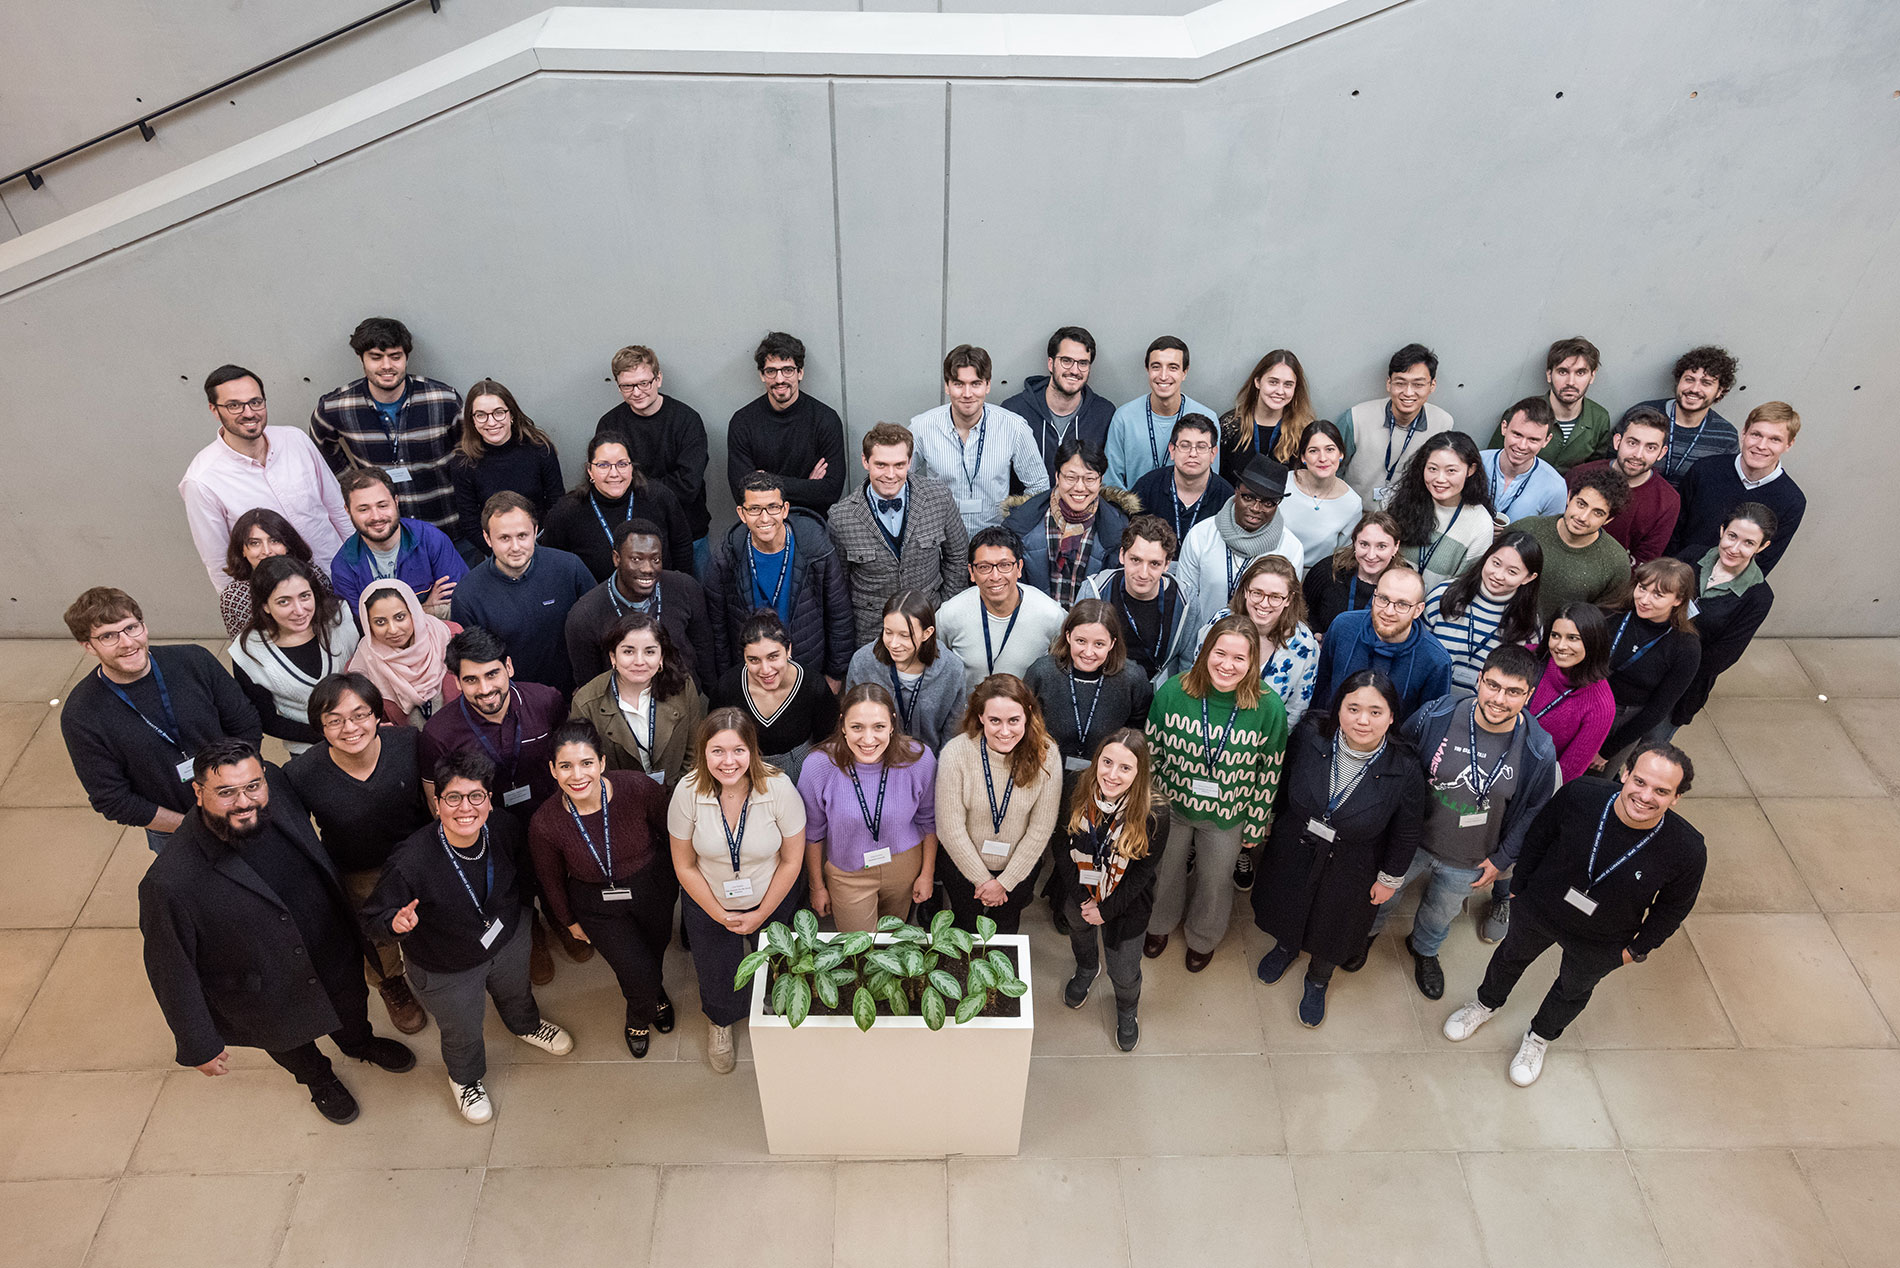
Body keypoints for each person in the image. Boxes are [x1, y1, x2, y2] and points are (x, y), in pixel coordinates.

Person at [140, 740, 416, 1124]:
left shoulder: (278, 791)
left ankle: (359, 1044)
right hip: (264, 988)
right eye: (226, 792)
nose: (244, 801)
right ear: (198, 793)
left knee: (351, 1008)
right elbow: (171, 967)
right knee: (292, 1043)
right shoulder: (169, 881)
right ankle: (320, 1082)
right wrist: (197, 1042)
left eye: (253, 786)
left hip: (330, 949)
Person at [1442, 745, 1706, 1087]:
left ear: (1676, 798)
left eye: (1661, 791)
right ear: (1625, 773)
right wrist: (1518, 889)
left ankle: (1539, 1037)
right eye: (1640, 781)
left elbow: (1674, 907)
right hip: (1541, 907)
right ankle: (1484, 1003)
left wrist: (1636, 950)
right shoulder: (1582, 795)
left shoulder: (1687, 849)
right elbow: (1539, 838)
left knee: (1572, 990)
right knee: (1509, 957)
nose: (1645, 796)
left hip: (1604, 938)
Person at [364, 749, 574, 1122]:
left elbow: (525, 874)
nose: (466, 808)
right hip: (446, 966)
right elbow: (372, 919)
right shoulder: (411, 860)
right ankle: (465, 1079)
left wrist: (525, 918)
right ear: (437, 802)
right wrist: (393, 924)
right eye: (454, 798)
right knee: (461, 1028)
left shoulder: (505, 828)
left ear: (489, 801)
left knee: (516, 991)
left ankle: (525, 1025)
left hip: (507, 939)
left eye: (476, 796)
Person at [1372, 647, 1559, 999]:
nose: (1499, 699)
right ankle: (1363, 937)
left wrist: (1503, 859)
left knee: (1440, 914)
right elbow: (1398, 762)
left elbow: (1536, 810)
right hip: (1410, 843)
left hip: (1472, 857)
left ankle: (1424, 950)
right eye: (1493, 685)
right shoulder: (1437, 714)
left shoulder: (1538, 749)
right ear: (1479, 679)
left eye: (1514, 691)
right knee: (1382, 897)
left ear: (1529, 695)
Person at [1252, 671, 1427, 1028]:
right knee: (1289, 901)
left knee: (1335, 923)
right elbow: (1282, 782)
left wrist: (1390, 878)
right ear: (1338, 709)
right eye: (1353, 708)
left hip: (1356, 862)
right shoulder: (1310, 736)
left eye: (1375, 712)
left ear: (1392, 716)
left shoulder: (1406, 768)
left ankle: (1318, 977)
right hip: (1296, 844)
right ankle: (1286, 947)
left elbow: (1407, 831)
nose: (1362, 720)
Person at [419, 626, 579, 980]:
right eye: (471, 679)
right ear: (457, 682)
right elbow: (435, 795)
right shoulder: (439, 733)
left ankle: (561, 918)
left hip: (547, 816)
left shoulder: (545, 701)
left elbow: (570, 755)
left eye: (492, 673)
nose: (486, 688)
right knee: (510, 888)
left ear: (509, 666)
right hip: (489, 833)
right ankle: (532, 932)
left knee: (556, 874)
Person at [286, 674, 435, 1034]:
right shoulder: (302, 773)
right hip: (356, 871)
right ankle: (391, 983)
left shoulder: (408, 742)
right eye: (334, 720)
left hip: (416, 858)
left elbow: (432, 800)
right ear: (319, 727)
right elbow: (298, 835)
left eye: (359, 714)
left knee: (429, 919)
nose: (349, 728)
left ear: (377, 715)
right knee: (376, 938)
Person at [60, 587, 261, 852]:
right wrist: (197, 826)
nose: (127, 643)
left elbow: (245, 724)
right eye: (108, 636)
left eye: (131, 628)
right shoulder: (81, 714)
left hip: (244, 807)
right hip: (175, 832)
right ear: (88, 645)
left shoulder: (194, 660)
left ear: (144, 626)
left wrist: (241, 793)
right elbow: (113, 799)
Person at [668, 709, 808, 1072]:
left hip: (772, 897)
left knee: (780, 962)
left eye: (738, 750)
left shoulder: (778, 787)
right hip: (708, 900)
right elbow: (683, 864)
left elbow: (793, 860)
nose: (728, 762)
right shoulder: (687, 791)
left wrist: (761, 914)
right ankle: (721, 1020)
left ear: (752, 750)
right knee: (717, 970)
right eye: (717, 751)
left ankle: (777, 1011)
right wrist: (719, 914)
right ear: (703, 752)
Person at [1144, 615, 1289, 969]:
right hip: (1172, 804)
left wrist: (1256, 823)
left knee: (1215, 880)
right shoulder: (1173, 692)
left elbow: (1269, 770)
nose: (1227, 665)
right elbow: (1150, 752)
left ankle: (1203, 937)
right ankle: (1159, 925)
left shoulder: (1269, 707)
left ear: (1252, 662)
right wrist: (1146, 807)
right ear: (1205, 651)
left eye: (1239, 658)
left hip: (1229, 812)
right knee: (1165, 871)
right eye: (1220, 653)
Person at [529, 720, 676, 1058]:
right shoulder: (545, 822)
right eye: (565, 766)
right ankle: (638, 1016)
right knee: (634, 970)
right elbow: (549, 879)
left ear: (602, 763)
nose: (577, 775)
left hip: (653, 888)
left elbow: (670, 836)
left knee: (654, 952)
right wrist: (569, 921)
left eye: (586, 763)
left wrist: (673, 881)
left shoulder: (637, 788)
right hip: (596, 904)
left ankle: (654, 992)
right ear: (552, 770)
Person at [181, 364, 353, 593]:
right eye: (234, 405)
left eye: (255, 402)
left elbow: (337, 508)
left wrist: (362, 564)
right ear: (214, 410)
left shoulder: (295, 439)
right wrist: (247, 615)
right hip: (284, 602)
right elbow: (220, 563)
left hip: (341, 576)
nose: (249, 412)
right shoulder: (201, 480)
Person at [1051, 729, 1170, 1051]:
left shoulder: (1155, 811)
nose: (1112, 775)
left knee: (1125, 969)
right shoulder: (1076, 786)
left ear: (1139, 772)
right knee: (1079, 931)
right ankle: (1088, 967)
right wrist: (1081, 898)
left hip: (1126, 902)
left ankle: (1127, 1007)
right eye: (1107, 762)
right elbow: (1061, 844)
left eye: (1125, 768)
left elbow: (1144, 870)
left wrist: (1106, 909)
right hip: (1079, 889)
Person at [800, 683, 939, 932]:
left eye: (879, 727)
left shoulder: (919, 759)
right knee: (859, 952)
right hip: (848, 873)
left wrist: (927, 874)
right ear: (842, 724)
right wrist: (817, 886)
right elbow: (813, 833)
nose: (867, 739)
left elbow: (928, 820)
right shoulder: (818, 765)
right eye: (856, 727)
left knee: (893, 945)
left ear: (892, 724)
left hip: (904, 866)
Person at [309, 317, 464, 536]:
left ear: (406, 357)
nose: (386, 366)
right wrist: (353, 483)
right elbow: (320, 447)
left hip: (447, 526)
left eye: (395, 357)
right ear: (361, 359)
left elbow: (469, 452)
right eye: (376, 357)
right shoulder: (336, 406)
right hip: (386, 536)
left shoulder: (443, 399)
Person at [934, 675, 1063, 934]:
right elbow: (950, 829)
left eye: (1013, 720)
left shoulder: (1047, 754)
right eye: (995, 720)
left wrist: (1005, 882)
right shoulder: (955, 753)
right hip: (963, 867)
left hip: (1018, 869)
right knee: (965, 927)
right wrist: (984, 880)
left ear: (1028, 714)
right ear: (980, 716)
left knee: (1005, 927)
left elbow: (1040, 829)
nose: (1005, 732)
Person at [827, 421, 970, 644]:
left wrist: (945, 608)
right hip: (872, 632)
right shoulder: (841, 517)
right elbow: (839, 586)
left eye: (899, 465)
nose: (890, 475)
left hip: (930, 623)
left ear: (910, 462)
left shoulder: (938, 498)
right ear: (865, 461)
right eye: (881, 465)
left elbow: (959, 557)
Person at [709, 471, 855, 687]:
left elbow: (839, 614)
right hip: (753, 675)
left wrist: (835, 675)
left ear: (785, 509)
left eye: (773, 507)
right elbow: (718, 627)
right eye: (755, 509)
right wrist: (726, 682)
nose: (765, 518)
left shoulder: (815, 548)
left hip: (808, 671)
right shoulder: (727, 555)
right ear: (742, 513)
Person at [449, 492, 596, 697]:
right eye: (504, 538)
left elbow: (597, 629)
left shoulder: (569, 568)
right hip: (515, 703)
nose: (515, 547)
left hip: (576, 695)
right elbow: (474, 664)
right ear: (487, 538)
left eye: (522, 536)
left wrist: (591, 685)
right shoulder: (467, 595)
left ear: (536, 531)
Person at [1026, 599, 1157, 807]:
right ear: (1068, 636)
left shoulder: (1132, 679)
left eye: (1099, 644)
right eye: (1080, 641)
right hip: (1045, 781)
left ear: (1112, 643)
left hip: (1105, 786)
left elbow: (1137, 734)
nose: (1088, 652)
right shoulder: (1042, 672)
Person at [596, 346, 713, 575]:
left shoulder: (687, 420)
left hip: (690, 534)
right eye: (627, 386)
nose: (637, 392)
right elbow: (608, 484)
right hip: (633, 537)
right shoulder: (609, 424)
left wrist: (632, 485)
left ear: (658, 379)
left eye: (643, 383)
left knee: (697, 602)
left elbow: (688, 487)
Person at [227, 557, 360, 757]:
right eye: (284, 601)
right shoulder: (248, 652)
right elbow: (266, 719)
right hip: (309, 748)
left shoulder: (342, 619)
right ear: (265, 606)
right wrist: (328, 735)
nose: (299, 610)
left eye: (305, 596)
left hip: (364, 732)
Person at [913, 344, 1049, 533]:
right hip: (940, 542)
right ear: (947, 386)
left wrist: (1015, 530)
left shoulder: (1014, 428)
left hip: (995, 544)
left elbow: (1039, 487)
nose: (967, 394)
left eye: (975, 384)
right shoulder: (922, 427)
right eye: (959, 384)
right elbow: (895, 480)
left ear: (987, 385)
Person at [563, 518, 713, 689]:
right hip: (623, 708)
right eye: (636, 559)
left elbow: (705, 651)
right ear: (616, 558)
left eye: (655, 560)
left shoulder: (685, 588)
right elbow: (590, 685)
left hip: (682, 700)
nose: (648, 569)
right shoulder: (585, 615)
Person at [1671, 503, 1778, 734]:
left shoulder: (1759, 597)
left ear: (1763, 547)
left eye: (1748, 543)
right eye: (1732, 536)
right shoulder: (1691, 555)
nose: (1734, 548)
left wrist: (1669, 668)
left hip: (1683, 685)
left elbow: (1722, 657)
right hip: (1642, 664)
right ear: (1722, 531)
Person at [570, 611, 706, 786]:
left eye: (649, 652)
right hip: (618, 800)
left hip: (677, 792)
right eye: (628, 651)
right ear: (613, 657)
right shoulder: (586, 702)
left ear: (661, 657)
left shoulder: (682, 687)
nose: (639, 661)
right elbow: (584, 766)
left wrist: (679, 793)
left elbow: (694, 750)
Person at [1668, 402, 1806, 574]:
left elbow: (1763, 563)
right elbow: (1672, 530)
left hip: (1724, 591)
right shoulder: (1705, 470)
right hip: (1675, 575)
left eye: (1774, 439)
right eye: (1756, 434)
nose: (1762, 445)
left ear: (1789, 445)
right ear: (1744, 433)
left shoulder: (1792, 501)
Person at [1176, 458, 1305, 640]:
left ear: (1278, 504)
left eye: (1268, 503)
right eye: (1248, 497)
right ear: (1236, 492)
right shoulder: (1201, 535)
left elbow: (1286, 608)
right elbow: (1184, 604)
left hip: (1260, 647)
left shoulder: (1290, 548)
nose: (1256, 508)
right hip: (1204, 643)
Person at [542, 433, 693, 581]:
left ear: (631, 468)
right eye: (603, 465)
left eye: (622, 464)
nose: (614, 473)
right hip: (595, 602)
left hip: (658, 597)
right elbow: (554, 564)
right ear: (590, 471)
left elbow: (682, 546)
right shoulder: (566, 511)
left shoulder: (659, 498)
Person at [936, 526, 1069, 694]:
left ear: (1019, 567)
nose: (995, 576)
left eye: (1005, 565)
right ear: (971, 572)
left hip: (1025, 716)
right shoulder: (949, 615)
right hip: (968, 716)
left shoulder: (1051, 615)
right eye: (984, 567)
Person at [725, 331, 847, 514]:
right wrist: (807, 486)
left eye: (787, 370)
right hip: (762, 524)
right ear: (762, 375)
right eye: (771, 371)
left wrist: (765, 480)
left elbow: (830, 492)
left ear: (800, 372)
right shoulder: (742, 422)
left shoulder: (825, 419)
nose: (780, 379)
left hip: (812, 521)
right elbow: (742, 493)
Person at [1196, 554, 1322, 731]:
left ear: (1289, 599)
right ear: (1246, 591)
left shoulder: (1305, 645)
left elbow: (1296, 710)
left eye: (1275, 597)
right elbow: (1198, 677)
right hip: (1206, 728)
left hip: (1262, 740)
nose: (1264, 603)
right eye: (1257, 593)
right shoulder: (1219, 623)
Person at [709, 613, 840, 782]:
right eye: (754, 660)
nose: (765, 670)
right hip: (746, 773)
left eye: (773, 657)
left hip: (801, 772)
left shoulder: (812, 685)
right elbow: (715, 739)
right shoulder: (728, 688)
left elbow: (828, 740)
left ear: (788, 650)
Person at [1595, 559, 1703, 765]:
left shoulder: (1686, 648)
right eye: (1642, 588)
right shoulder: (1611, 615)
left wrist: (1607, 751)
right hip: (1587, 699)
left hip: (1624, 721)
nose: (1644, 600)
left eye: (1658, 595)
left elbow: (1657, 710)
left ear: (1678, 600)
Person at [1312, 564, 1452, 722]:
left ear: (1418, 610)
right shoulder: (1343, 627)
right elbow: (1320, 688)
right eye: (1384, 599)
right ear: (1374, 597)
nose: (1389, 611)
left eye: (1402, 604)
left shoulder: (1435, 661)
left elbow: (1428, 723)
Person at [1004, 439, 1132, 605]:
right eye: (1071, 477)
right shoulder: (1022, 523)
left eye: (1089, 479)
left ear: (1100, 480)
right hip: (1035, 624)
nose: (1079, 487)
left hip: (1088, 627)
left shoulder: (1119, 530)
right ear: (1057, 476)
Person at [448, 379, 566, 559]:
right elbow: (469, 522)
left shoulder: (540, 449)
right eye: (481, 415)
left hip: (542, 544)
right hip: (494, 551)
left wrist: (536, 546)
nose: (491, 422)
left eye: (499, 413)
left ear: (511, 414)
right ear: (472, 420)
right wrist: (500, 553)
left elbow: (557, 504)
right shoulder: (463, 462)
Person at [328, 467, 467, 618]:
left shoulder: (430, 539)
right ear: (348, 511)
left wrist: (387, 618)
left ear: (396, 501)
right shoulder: (343, 567)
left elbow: (461, 604)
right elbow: (362, 627)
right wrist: (424, 609)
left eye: (382, 505)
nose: (376, 516)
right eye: (363, 509)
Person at [844, 591, 968, 752]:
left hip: (932, 762)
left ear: (927, 633)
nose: (894, 644)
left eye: (904, 635)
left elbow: (953, 732)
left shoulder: (952, 668)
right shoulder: (862, 662)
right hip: (875, 758)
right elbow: (852, 720)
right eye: (888, 632)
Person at [1508, 466, 1634, 624]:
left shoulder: (1616, 563)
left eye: (1598, 513)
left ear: (1608, 519)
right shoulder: (1527, 529)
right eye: (1581, 504)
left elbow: (1599, 622)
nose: (1583, 517)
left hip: (1557, 644)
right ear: (1569, 497)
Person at [1421, 531, 1544, 693]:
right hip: (1428, 699)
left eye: (1512, 572)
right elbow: (1419, 653)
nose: (1498, 575)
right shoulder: (1444, 595)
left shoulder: (1528, 625)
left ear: (1529, 578)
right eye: (1496, 563)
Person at [1078, 516, 1196, 683]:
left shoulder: (1184, 600)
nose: (1143, 573)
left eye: (1154, 564)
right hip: (1102, 687)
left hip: (1156, 694)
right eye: (1135, 560)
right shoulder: (1094, 591)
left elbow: (1187, 664)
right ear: (1121, 555)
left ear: (1167, 564)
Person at [1336, 344, 1454, 506]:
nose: (1408, 392)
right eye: (1400, 383)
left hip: (1405, 518)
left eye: (1418, 384)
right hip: (1356, 515)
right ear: (1389, 384)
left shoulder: (1443, 423)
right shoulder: (1355, 418)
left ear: (1432, 386)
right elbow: (1332, 470)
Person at [1000, 326, 1116, 484]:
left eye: (1083, 363)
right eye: (1066, 361)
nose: (1075, 370)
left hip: (1082, 506)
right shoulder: (1014, 411)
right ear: (1051, 363)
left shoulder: (1104, 414)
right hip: (1027, 507)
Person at [1566, 407, 1679, 565]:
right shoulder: (1580, 474)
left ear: (1661, 452)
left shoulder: (1667, 501)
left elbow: (1645, 560)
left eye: (1651, 448)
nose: (1638, 455)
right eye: (1632, 443)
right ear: (1617, 441)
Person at [1485, 337, 1614, 472]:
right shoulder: (1520, 413)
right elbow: (1491, 462)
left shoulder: (1600, 418)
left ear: (1592, 376)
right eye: (1563, 372)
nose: (1571, 382)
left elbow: (1594, 471)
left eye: (1580, 373)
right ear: (1549, 374)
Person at [1388, 431, 1496, 590]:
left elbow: (1465, 586)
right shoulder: (1402, 499)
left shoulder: (1480, 524)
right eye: (1432, 469)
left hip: (1434, 611)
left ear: (1471, 470)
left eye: (1451, 471)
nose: (1439, 479)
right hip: (1385, 601)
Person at [1106, 336, 1219, 488]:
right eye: (1156, 366)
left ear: (1185, 372)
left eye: (1173, 367)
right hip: (1133, 510)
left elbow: (1211, 480)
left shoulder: (1208, 418)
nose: (1163, 376)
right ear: (1147, 369)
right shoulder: (1124, 418)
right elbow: (1111, 481)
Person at [1623, 345, 1742, 489]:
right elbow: (1610, 464)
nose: (1694, 389)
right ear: (1679, 381)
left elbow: (1720, 487)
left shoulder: (1726, 437)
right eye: (1689, 379)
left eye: (1706, 383)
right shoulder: (1641, 413)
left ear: (1720, 391)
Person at [347, 580, 460, 726]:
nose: (393, 629)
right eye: (380, 622)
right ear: (368, 625)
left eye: (400, 617)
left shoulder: (450, 636)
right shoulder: (362, 666)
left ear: (414, 612)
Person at [216, 508, 331, 641]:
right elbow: (242, 648)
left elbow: (333, 623)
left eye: (275, 541)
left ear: (287, 545)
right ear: (242, 550)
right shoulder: (234, 597)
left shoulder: (313, 575)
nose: (267, 551)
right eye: (255, 543)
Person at [1130, 414, 1234, 546]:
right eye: (1185, 446)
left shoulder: (1227, 499)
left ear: (1213, 453)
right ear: (1172, 450)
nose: (1193, 453)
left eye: (1201, 447)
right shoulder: (1147, 486)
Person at [1217, 349, 1317, 482]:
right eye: (1273, 382)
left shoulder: (1304, 430)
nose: (1280, 391)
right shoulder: (1230, 424)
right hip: (1236, 501)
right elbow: (1218, 476)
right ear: (1257, 382)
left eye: (1288, 384)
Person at [1302, 511, 1401, 637]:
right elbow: (1303, 612)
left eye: (1381, 546)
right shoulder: (1327, 571)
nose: (1371, 555)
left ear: (1395, 547)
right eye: (1364, 544)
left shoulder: (1404, 583)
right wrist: (1314, 635)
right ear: (1354, 542)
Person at [1280, 420, 1364, 566]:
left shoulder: (1351, 503)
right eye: (1313, 451)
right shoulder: (1282, 483)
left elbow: (1342, 556)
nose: (1323, 458)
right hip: (1272, 569)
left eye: (1330, 449)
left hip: (1317, 576)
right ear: (1303, 457)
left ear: (1341, 454)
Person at [1480, 397, 1568, 525]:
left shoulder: (1555, 487)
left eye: (1533, 440)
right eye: (1517, 434)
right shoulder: (1476, 463)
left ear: (1547, 440)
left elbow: (1546, 536)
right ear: (1504, 427)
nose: (1522, 445)